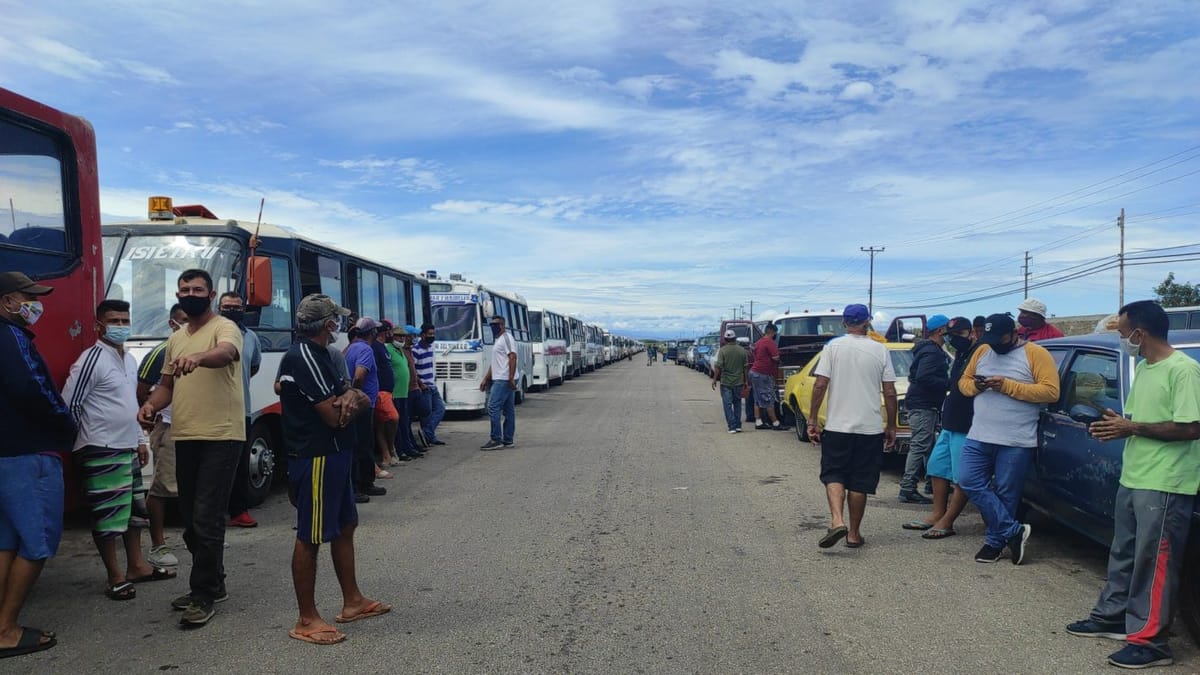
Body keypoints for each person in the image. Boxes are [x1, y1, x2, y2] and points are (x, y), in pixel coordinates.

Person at [1066, 300, 1200, 670]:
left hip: (1166, 483)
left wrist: (1132, 428)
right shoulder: (1144, 367)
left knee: (1154, 562)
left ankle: (1151, 641)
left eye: (1124, 333)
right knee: (1124, 552)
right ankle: (1113, 616)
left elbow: (1192, 427)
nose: (1123, 338)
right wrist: (1118, 423)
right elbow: (1145, 419)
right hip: (1136, 475)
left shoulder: (1184, 371)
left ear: (1140, 333)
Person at [279, 294, 391, 645]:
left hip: (336, 452)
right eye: (336, 320)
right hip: (316, 456)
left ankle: (353, 601)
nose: (340, 325)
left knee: (345, 525)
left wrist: (352, 400)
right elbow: (332, 413)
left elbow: (353, 396)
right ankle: (306, 618)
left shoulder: (326, 355)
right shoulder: (303, 357)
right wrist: (352, 401)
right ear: (329, 324)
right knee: (311, 535)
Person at [136, 269, 245, 628]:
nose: (190, 294)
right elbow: (166, 385)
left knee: (207, 517)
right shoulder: (177, 338)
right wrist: (151, 405)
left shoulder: (224, 328)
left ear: (211, 294)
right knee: (190, 520)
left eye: (197, 289)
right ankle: (215, 582)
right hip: (185, 435)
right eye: (184, 289)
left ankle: (203, 594)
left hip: (222, 435)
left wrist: (201, 358)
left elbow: (226, 353)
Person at [63, 299, 176, 601]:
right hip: (101, 447)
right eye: (114, 321)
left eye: (125, 321)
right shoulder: (91, 360)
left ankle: (137, 566)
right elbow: (69, 405)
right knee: (108, 516)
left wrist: (140, 440)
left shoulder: (128, 360)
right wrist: (85, 441)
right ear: (98, 325)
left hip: (127, 447)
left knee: (134, 514)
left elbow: (132, 403)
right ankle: (115, 575)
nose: (121, 327)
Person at [0, 271, 75, 658]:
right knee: (37, 540)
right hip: (28, 453)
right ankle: (7, 629)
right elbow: (33, 388)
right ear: (6, 302)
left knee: (7, 541)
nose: (35, 305)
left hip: (6, 453)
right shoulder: (11, 337)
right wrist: (65, 423)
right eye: (26, 297)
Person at [957, 313, 1059, 565]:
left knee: (1006, 492)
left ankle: (994, 542)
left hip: (1016, 439)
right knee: (967, 480)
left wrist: (1007, 386)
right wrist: (978, 387)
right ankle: (1013, 530)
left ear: (1013, 333)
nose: (993, 344)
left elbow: (1051, 391)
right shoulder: (983, 351)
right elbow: (963, 383)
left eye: (998, 339)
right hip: (979, 433)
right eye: (988, 339)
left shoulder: (1035, 354)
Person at [807, 304, 898, 550]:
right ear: (867, 322)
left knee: (834, 473)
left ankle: (837, 521)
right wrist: (891, 424)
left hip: (838, 426)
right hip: (869, 428)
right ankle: (854, 534)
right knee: (860, 481)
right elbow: (890, 392)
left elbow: (820, 385)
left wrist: (813, 419)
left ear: (844, 323)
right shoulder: (880, 350)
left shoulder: (833, 347)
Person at [906, 317, 976, 538]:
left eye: (959, 335)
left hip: (966, 422)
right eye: (950, 336)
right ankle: (938, 513)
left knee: (961, 475)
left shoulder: (978, 352)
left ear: (972, 332)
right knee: (937, 467)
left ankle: (948, 520)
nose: (954, 340)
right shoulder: (954, 354)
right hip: (950, 421)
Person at [136, 303, 188, 568]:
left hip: (194, 427)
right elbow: (143, 388)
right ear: (172, 324)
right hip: (168, 427)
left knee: (194, 484)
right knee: (163, 486)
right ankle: (157, 544)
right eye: (183, 320)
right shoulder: (161, 352)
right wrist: (150, 413)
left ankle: (198, 535)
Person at [218, 292, 262, 529]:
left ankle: (238, 511)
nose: (231, 310)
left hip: (241, 409)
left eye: (236, 307)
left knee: (240, 462)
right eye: (226, 307)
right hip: (212, 410)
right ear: (218, 307)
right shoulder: (210, 333)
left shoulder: (252, 337)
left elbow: (253, 366)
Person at [898, 314, 951, 504]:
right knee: (920, 444)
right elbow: (923, 377)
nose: (950, 334)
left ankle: (931, 481)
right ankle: (908, 487)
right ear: (939, 331)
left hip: (922, 403)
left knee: (928, 444)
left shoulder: (927, 349)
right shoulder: (932, 352)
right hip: (923, 404)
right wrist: (948, 383)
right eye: (948, 329)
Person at [343, 318, 386, 501]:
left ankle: (364, 484)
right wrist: (356, 394)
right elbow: (359, 376)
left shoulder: (351, 347)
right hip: (362, 405)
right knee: (362, 445)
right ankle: (360, 486)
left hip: (356, 404)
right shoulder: (366, 350)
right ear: (371, 333)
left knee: (360, 444)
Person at [479, 315, 519, 450]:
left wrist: (511, 377)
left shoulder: (506, 338)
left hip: (504, 378)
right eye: (491, 325)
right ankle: (508, 440)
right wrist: (486, 378)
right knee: (508, 410)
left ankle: (496, 439)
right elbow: (495, 363)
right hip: (500, 377)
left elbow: (512, 357)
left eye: (496, 325)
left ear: (502, 325)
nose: (493, 327)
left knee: (492, 406)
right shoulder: (498, 340)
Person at [386, 325, 423, 460]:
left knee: (404, 423)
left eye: (403, 336)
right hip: (394, 393)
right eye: (398, 336)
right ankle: (400, 451)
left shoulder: (401, 350)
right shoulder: (388, 349)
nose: (401, 338)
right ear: (392, 337)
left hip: (404, 393)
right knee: (397, 425)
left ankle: (408, 448)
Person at [371, 321, 401, 474]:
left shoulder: (383, 347)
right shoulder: (375, 347)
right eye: (390, 331)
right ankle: (389, 449)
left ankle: (387, 454)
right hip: (381, 391)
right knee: (393, 418)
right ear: (385, 332)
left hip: (389, 391)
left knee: (382, 424)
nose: (393, 334)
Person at [749, 323, 789, 431]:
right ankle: (775, 423)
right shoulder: (769, 342)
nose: (776, 335)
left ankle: (759, 421)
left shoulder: (758, 342)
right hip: (763, 374)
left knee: (757, 398)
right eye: (775, 333)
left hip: (754, 372)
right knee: (769, 398)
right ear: (772, 332)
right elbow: (776, 357)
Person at [411, 323, 446, 445]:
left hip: (432, 384)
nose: (432, 336)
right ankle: (429, 437)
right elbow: (413, 370)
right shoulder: (415, 350)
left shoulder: (431, 348)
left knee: (440, 409)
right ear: (423, 335)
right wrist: (420, 384)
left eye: (433, 334)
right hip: (424, 386)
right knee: (426, 414)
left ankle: (427, 433)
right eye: (430, 334)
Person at [711, 329, 749, 433]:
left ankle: (732, 426)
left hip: (726, 382)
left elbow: (718, 367)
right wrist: (746, 381)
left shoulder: (723, 351)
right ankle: (738, 425)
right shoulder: (742, 351)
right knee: (737, 403)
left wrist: (714, 379)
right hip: (739, 381)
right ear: (735, 338)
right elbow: (745, 367)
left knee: (727, 405)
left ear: (725, 339)